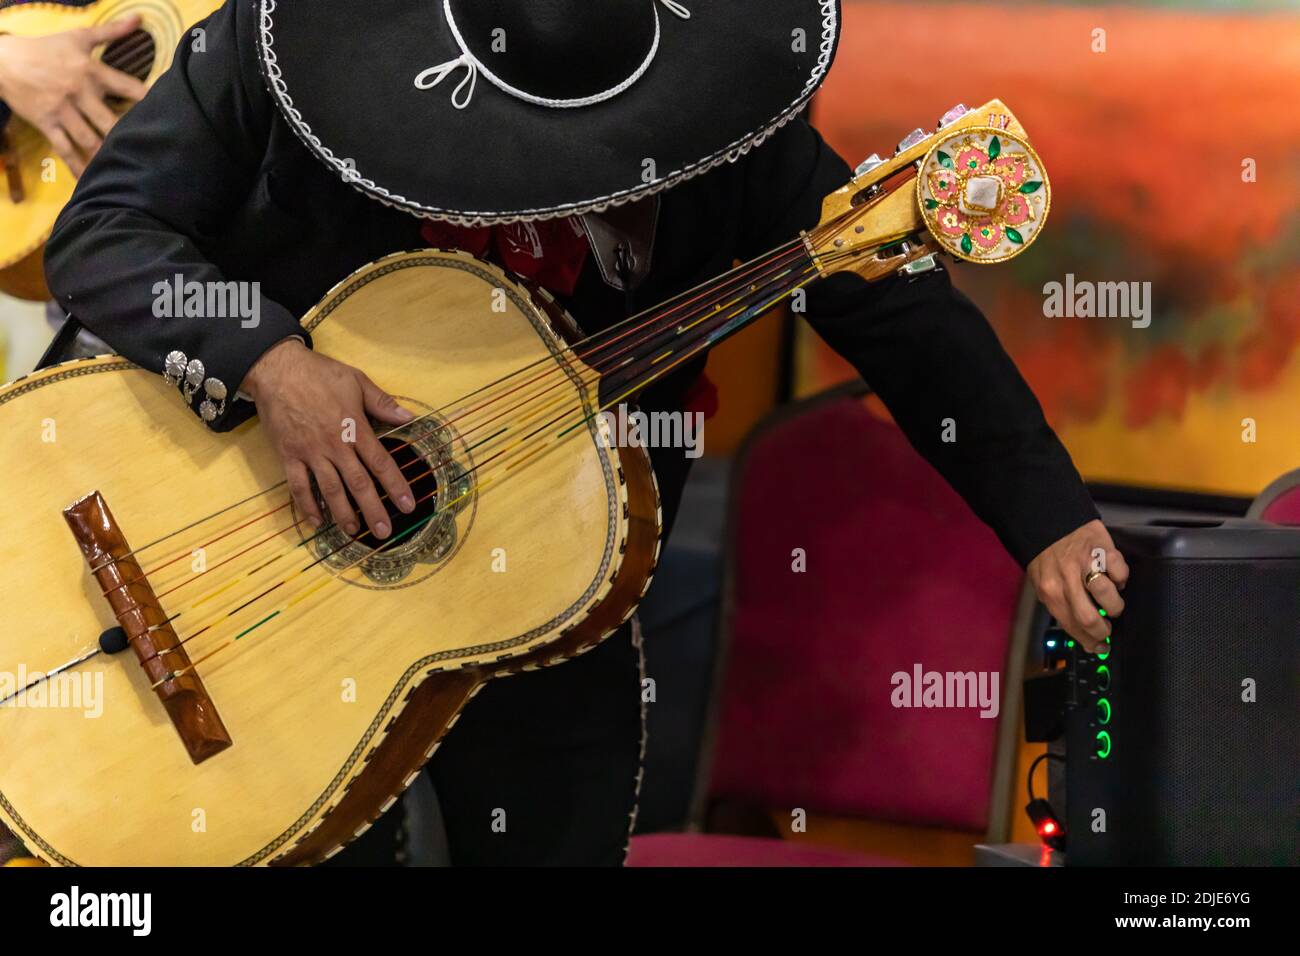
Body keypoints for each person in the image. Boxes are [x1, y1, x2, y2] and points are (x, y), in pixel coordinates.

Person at [41, 0, 1128, 865]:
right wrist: (271, 363)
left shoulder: (729, 129)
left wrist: (1049, 517)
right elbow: (106, 231)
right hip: (244, 564)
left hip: (549, 594)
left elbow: (902, 317)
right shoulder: (283, 44)